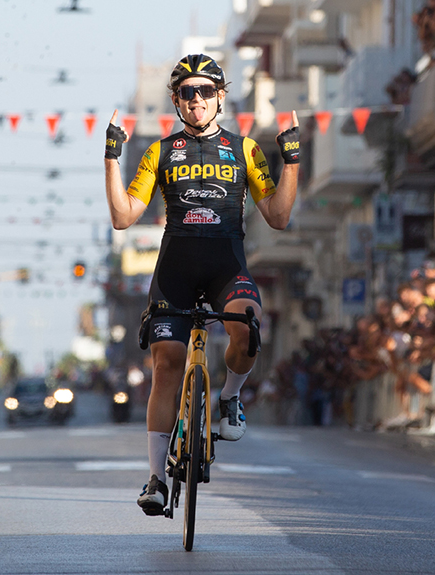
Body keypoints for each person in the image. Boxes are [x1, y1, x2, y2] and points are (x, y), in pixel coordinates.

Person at [103, 53, 300, 516]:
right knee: (167, 363)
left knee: (249, 327)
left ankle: (229, 398)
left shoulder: (246, 149)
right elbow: (122, 217)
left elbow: (278, 216)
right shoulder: (160, 151)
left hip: (225, 265)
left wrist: (291, 160)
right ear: (175, 100)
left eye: (205, 91)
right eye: (187, 93)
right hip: (175, 268)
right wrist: (112, 156)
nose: (196, 101)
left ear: (221, 97)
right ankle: (155, 479)